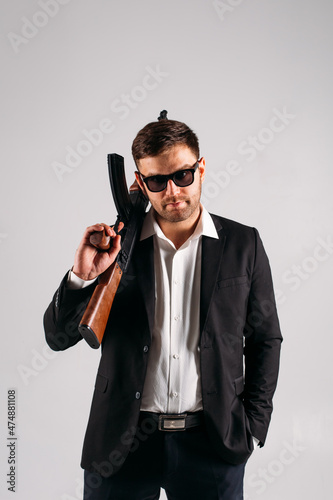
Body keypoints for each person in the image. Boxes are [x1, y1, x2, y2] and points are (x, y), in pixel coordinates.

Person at [44, 111, 282, 500]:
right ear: (140, 182)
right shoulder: (116, 248)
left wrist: (254, 425)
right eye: (157, 180)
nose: (172, 191)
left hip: (213, 443)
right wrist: (83, 275)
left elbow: (266, 340)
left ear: (201, 168)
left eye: (182, 175)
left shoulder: (244, 244)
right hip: (121, 444)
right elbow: (57, 337)